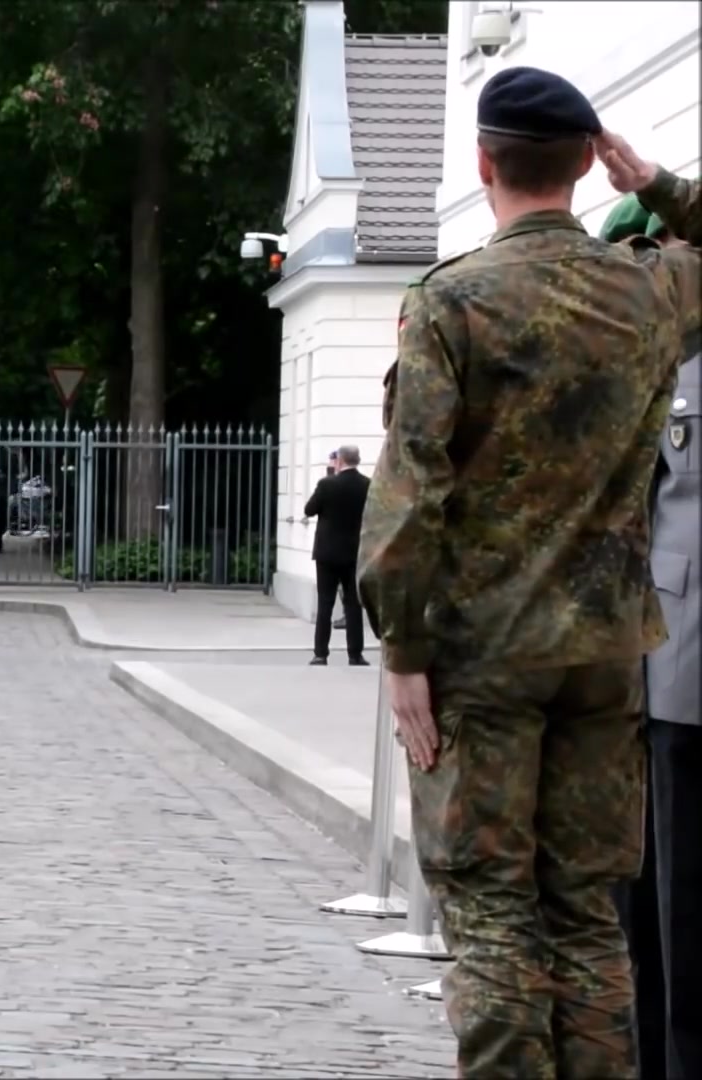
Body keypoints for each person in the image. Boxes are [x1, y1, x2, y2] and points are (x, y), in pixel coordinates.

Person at [356, 66, 700, 1079]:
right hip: (604, 656)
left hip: (483, 655)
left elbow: (410, 492)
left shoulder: (453, 301)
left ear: (482, 162)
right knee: (588, 914)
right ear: (590, 163)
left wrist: (404, 651)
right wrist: (664, 182)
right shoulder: (652, 287)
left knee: (495, 911)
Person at [604, 195, 698, 1080]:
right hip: (637, 669)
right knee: (643, 914)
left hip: (682, 673)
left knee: (683, 919)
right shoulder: (646, 371)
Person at [304, 444, 370, 666]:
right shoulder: (367, 485)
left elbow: (309, 509)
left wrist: (328, 476)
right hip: (354, 553)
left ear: (339, 461)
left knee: (325, 603)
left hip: (327, 553)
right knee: (353, 605)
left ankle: (321, 653)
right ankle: (355, 654)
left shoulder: (327, 484)